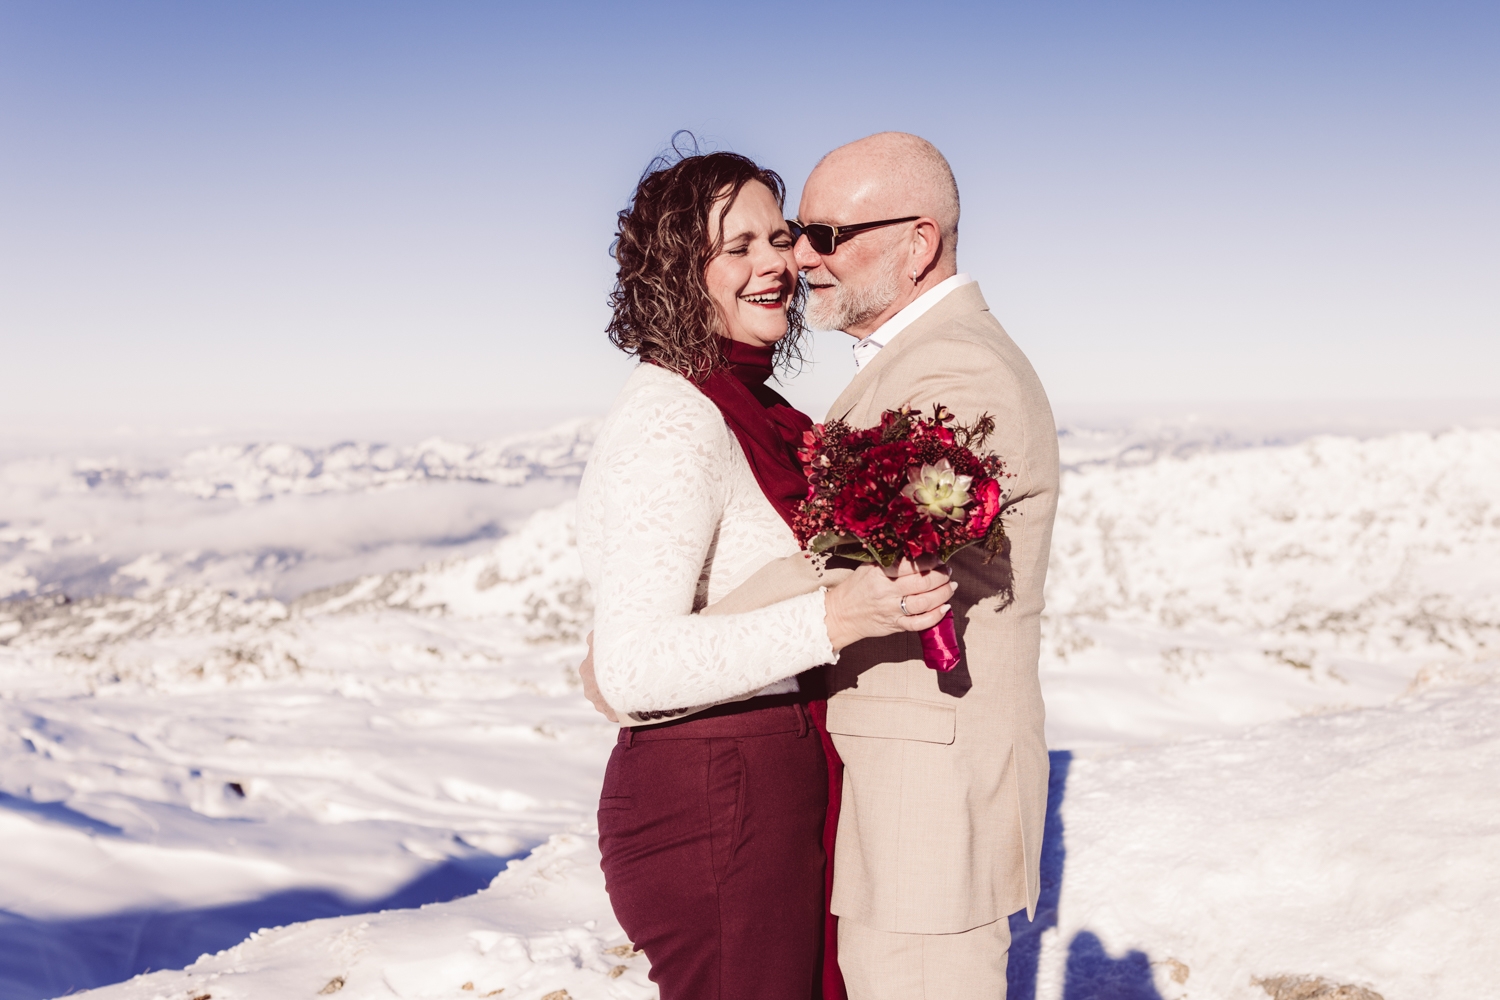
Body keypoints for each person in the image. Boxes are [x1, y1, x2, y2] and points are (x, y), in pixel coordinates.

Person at [577, 147, 957, 1000]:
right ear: (680, 271)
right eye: (736, 247)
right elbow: (633, 669)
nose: (776, 265)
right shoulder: (675, 420)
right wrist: (837, 618)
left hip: (769, 780)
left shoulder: (758, 409)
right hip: (713, 796)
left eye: (779, 238)